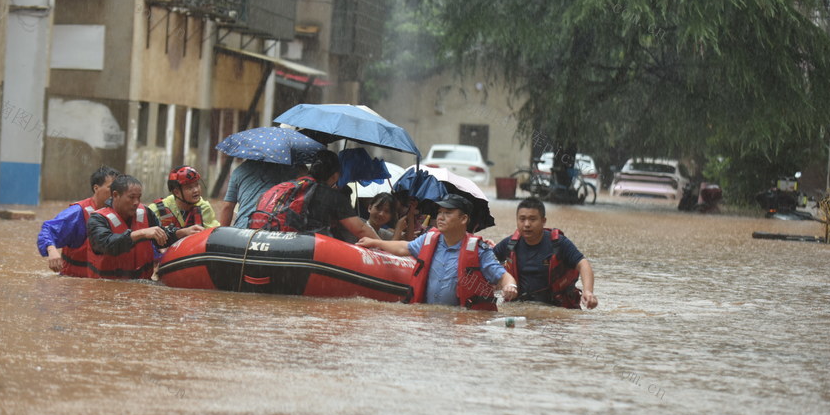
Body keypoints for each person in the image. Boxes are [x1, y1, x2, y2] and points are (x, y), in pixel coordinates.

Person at [358, 194, 514, 310]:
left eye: (448, 213)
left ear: (463, 219)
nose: (440, 217)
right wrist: (375, 242)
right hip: (428, 319)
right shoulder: (429, 239)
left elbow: (502, 275)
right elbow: (403, 247)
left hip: (460, 323)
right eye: (440, 212)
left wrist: (510, 286)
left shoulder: (479, 250)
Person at [249, 149, 377, 242]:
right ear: (335, 175)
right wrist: (384, 244)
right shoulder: (334, 197)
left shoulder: (289, 185)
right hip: (304, 250)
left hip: (266, 239)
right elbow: (360, 229)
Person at [493, 196, 597, 309]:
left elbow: (583, 264)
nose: (527, 224)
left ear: (543, 221)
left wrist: (588, 292)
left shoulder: (558, 244)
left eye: (532, 219)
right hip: (519, 306)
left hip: (555, 308)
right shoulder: (509, 244)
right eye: (522, 219)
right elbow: (485, 263)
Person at [37, 165, 118, 277]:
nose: (115, 192)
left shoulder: (122, 212)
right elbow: (48, 229)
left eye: (118, 188)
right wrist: (52, 250)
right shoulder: (77, 212)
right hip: (74, 283)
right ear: (96, 188)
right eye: (111, 187)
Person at [87, 174, 171, 279]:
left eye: (139, 197)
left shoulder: (146, 213)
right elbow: (106, 244)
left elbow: (162, 236)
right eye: (131, 197)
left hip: (142, 287)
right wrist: (141, 233)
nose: (136, 202)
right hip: (106, 288)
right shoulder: (97, 219)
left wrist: (181, 233)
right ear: (115, 195)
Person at [218, 159, 302, 228]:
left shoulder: (239, 170)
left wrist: (221, 236)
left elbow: (227, 207)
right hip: (274, 227)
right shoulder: (287, 169)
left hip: (243, 227)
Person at [148, 166, 219, 239]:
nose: (196, 190)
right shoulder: (157, 209)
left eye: (197, 185)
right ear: (176, 192)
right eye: (190, 187)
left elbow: (214, 235)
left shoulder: (204, 207)